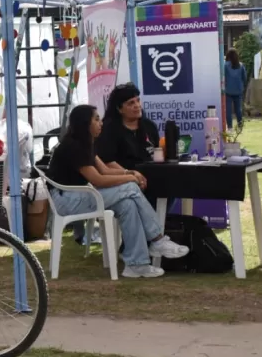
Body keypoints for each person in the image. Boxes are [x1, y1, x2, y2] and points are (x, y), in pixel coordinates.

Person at [48, 104, 189, 278]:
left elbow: (105, 171)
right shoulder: (74, 146)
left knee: (127, 204)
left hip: (79, 196)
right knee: (130, 188)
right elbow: (98, 180)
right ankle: (158, 239)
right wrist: (131, 179)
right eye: (96, 119)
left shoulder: (86, 143)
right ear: (85, 123)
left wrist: (129, 172)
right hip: (67, 200)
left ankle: (137, 264)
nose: (101, 123)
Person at [95, 83, 162, 207]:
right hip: (123, 178)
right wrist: (131, 175)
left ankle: (160, 219)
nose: (137, 106)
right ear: (119, 109)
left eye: (138, 101)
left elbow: (157, 152)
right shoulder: (108, 129)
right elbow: (108, 161)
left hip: (150, 174)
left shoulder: (149, 126)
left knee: (172, 184)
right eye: (131, 103)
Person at [224, 48, 247, 130]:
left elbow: (223, 77)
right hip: (238, 90)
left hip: (228, 91)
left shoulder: (225, 65)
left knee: (228, 111)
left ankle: (229, 127)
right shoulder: (241, 65)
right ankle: (240, 126)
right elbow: (244, 78)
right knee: (238, 109)